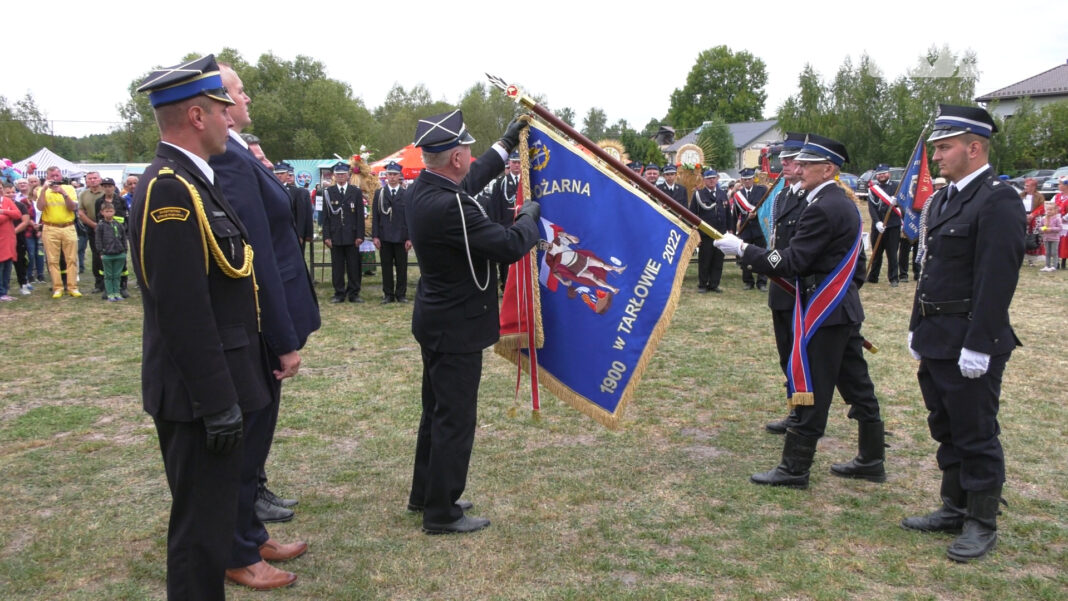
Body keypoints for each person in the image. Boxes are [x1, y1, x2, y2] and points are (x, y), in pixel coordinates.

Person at [131, 54, 280, 599]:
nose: (230, 117)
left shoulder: (196, 178)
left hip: (215, 385)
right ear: (197, 116)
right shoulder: (170, 189)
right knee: (200, 536)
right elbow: (182, 311)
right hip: (197, 397)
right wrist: (218, 402)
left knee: (212, 528)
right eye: (221, 109)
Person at [715, 134, 884, 489]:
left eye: (807, 164)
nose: (799, 169)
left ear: (829, 169)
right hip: (839, 307)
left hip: (824, 310)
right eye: (800, 163)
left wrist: (743, 249)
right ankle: (872, 459)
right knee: (856, 384)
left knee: (813, 388)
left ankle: (795, 469)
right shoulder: (837, 201)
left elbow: (793, 260)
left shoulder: (822, 206)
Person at [210, 62, 320, 590]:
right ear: (220, 103)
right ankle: (237, 550)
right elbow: (256, 254)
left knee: (258, 437)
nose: (247, 97)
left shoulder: (236, 151)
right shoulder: (228, 158)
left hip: (266, 315)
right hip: (256, 322)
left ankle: (250, 536)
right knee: (248, 440)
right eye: (239, 90)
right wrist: (281, 337)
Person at [405, 109, 540, 534]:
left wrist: (505, 143)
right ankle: (442, 512)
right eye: (467, 149)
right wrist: (529, 217)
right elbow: (508, 245)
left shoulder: (424, 188)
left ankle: (426, 494)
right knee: (454, 420)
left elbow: (472, 179)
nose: (470, 155)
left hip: (437, 320)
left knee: (436, 412)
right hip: (456, 327)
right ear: (456, 158)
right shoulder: (452, 207)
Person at [902, 104, 1025, 563]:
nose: (936, 156)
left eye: (944, 147)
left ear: (974, 148)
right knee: (945, 425)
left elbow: (997, 279)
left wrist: (979, 343)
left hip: (970, 338)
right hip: (936, 333)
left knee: (976, 432)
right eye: (935, 148)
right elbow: (928, 269)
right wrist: (915, 324)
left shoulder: (998, 199)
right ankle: (954, 506)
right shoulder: (944, 200)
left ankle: (981, 520)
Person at [762, 132, 808, 434]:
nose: (785, 164)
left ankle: (804, 413)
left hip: (800, 288)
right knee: (785, 353)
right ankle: (794, 407)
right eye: (783, 160)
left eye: (791, 160)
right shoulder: (782, 196)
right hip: (780, 287)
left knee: (800, 354)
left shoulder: (811, 198)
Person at [320, 162, 365, 303]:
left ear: (348, 175)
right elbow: (325, 217)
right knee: (337, 266)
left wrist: (360, 235)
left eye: (343, 174)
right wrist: (326, 236)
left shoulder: (355, 191)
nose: (340, 176)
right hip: (335, 235)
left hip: (352, 235)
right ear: (334, 176)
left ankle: (354, 293)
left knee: (354, 266)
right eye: (338, 174)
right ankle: (339, 293)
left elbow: (360, 216)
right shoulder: (328, 192)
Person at [36, 166, 82, 298]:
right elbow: (40, 207)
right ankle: (57, 287)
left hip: (68, 226)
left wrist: (63, 193)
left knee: (71, 259)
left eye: (57, 175)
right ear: (47, 177)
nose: (55, 178)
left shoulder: (69, 188)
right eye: (52, 176)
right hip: (50, 227)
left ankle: (72, 287)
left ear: (61, 176)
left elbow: (72, 207)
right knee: (52, 260)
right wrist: (44, 189)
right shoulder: (41, 190)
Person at [482, 150, 523, 289]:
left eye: (519, 163)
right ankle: (506, 286)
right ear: (509, 163)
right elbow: (494, 206)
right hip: (506, 226)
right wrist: (496, 226)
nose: (517, 165)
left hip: (522, 224)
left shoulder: (527, 182)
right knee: (506, 261)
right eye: (514, 162)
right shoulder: (500, 183)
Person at [372, 161, 411, 303]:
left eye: (395, 174)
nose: (392, 177)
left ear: (400, 176)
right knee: (386, 266)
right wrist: (375, 236)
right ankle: (388, 294)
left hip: (401, 237)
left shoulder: (406, 194)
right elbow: (375, 216)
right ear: (386, 176)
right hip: (385, 236)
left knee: (402, 267)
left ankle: (401, 294)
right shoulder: (380, 193)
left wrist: (410, 238)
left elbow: (410, 217)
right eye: (390, 174)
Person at [688, 169, 732, 293]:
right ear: (704, 180)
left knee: (718, 260)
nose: (711, 181)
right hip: (706, 234)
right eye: (708, 179)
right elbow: (692, 215)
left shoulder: (722, 193)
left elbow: (727, 213)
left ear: (717, 179)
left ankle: (714, 284)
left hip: (720, 233)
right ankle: (702, 284)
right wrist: (695, 234)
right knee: (705, 260)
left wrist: (730, 229)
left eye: (713, 178)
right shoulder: (699, 195)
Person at [731, 168, 768, 291]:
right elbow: (735, 214)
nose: (747, 181)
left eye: (749, 179)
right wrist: (733, 231)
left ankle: (762, 282)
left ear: (753, 179)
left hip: (760, 228)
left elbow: (766, 207)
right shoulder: (738, 195)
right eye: (745, 179)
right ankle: (748, 281)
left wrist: (757, 214)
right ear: (741, 180)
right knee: (745, 256)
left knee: (762, 255)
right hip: (745, 229)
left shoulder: (762, 190)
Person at [866, 164, 902, 286]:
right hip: (878, 226)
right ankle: (873, 277)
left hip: (893, 225)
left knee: (892, 253)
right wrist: (877, 222)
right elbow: (872, 208)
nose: (882, 176)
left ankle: (894, 278)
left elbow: (903, 203)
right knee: (876, 252)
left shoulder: (896, 186)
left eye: (884, 173)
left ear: (889, 174)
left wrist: (897, 203)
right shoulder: (873, 189)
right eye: (879, 174)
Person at [94, 178, 130, 298]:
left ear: (114, 187)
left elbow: (126, 217)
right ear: (102, 188)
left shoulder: (121, 200)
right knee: (104, 265)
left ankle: (122, 286)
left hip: (119, 234)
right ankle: (106, 288)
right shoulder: (99, 202)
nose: (108, 188)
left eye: (110, 186)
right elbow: (98, 218)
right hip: (105, 235)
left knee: (122, 264)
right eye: (105, 186)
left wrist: (123, 230)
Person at [77, 171, 105, 287]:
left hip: (107, 226)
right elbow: (80, 213)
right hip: (91, 227)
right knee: (96, 254)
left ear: (100, 179)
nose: (92, 180)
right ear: (86, 181)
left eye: (95, 178)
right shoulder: (83, 194)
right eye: (90, 179)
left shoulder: (106, 191)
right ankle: (98, 282)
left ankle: (112, 280)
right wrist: (94, 225)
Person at [0, 184, 23, 301]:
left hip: (9, 239)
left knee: (7, 266)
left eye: (0, 187)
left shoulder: (7, 200)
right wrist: (9, 214)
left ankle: (4, 292)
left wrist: (4, 211)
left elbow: (18, 214)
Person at [1021, 178, 1045, 266]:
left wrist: (1032, 215)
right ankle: (1021, 257)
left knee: (1032, 239)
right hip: (1023, 217)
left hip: (1034, 219)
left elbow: (1042, 207)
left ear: (1033, 187)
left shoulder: (1039, 196)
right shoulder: (1021, 195)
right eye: (1025, 185)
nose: (1025, 187)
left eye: (1027, 186)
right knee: (1022, 237)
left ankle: (1032, 260)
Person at [1036, 201, 1062, 271]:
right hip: (1046, 238)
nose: (1049, 211)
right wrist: (1042, 229)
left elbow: (1060, 228)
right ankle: (1047, 266)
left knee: (1054, 252)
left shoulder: (1057, 218)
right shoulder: (1044, 218)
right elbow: (1039, 227)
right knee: (1047, 252)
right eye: (1048, 209)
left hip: (1054, 239)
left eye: (1051, 209)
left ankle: (1054, 266)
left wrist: (1051, 229)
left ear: (1055, 210)